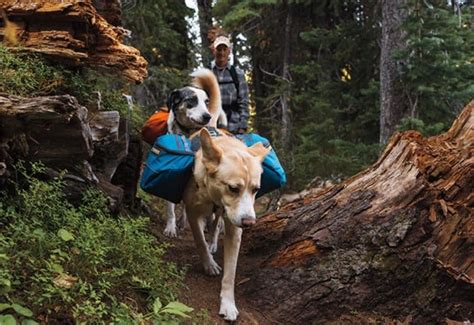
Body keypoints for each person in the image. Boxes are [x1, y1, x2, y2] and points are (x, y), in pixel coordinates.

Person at [210, 35, 249, 134]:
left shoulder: (238, 74)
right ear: (214, 51)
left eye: (224, 49)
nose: (222, 53)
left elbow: (244, 102)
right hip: (211, 127)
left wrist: (243, 126)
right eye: (219, 49)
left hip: (233, 127)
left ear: (229, 51)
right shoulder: (207, 73)